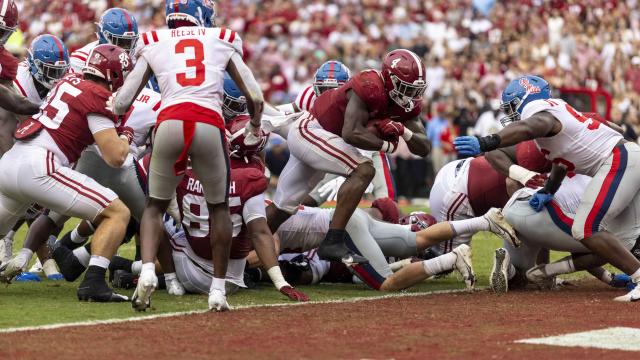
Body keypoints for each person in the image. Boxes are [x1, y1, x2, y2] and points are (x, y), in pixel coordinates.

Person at [111, 0, 264, 312]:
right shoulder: (221, 38)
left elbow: (123, 100)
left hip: (169, 123)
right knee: (218, 207)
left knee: (153, 207)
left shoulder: (153, 41)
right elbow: (255, 95)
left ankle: (150, 271)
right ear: (203, 16)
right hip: (208, 123)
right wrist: (255, 126)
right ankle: (217, 291)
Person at [454, 75, 640, 302]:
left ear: (524, 98)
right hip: (621, 159)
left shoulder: (540, 112)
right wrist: (549, 190)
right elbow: (561, 161)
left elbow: (532, 125)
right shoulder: (555, 115)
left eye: (512, 105)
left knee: (587, 229)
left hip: (618, 159)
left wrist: (486, 142)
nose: (511, 113)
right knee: (594, 231)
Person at [267, 49, 431, 266]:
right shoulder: (369, 85)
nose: (409, 95)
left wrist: (404, 131)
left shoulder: (404, 104)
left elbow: (424, 147)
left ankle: (239, 244)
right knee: (363, 170)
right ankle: (333, 240)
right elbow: (351, 133)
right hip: (311, 130)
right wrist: (386, 145)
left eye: (414, 90)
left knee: (282, 209)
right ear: (390, 80)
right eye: (405, 88)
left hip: (323, 142)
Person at [0, 44, 134, 302]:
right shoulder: (97, 95)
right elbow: (115, 156)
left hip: (11, 163)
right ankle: (93, 283)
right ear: (116, 75)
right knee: (117, 212)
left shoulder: (69, 81)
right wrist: (126, 137)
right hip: (41, 166)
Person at [490, 174, 639, 293]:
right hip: (543, 216)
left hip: (517, 204)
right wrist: (548, 271)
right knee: (609, 245)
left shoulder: (599, 176)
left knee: (519, 280)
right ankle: (544, 272)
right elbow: (596, 247)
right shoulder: (623, 202)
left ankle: (507, 267)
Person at [0, 34, 70, 279]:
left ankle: (37, 258)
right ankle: (18, 251)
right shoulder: (18, 79)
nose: (56, 77)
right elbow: (19, 116)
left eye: (60, 71)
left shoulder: (63, 82)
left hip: (30, 141)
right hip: (11, 140)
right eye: (50, 70)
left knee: (41, 200)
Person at [69, 7, 139, 73]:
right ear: (103, 35)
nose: (126, 48)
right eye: (121, 42)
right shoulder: (82, 58)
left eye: (129, 42)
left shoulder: (137, 53)